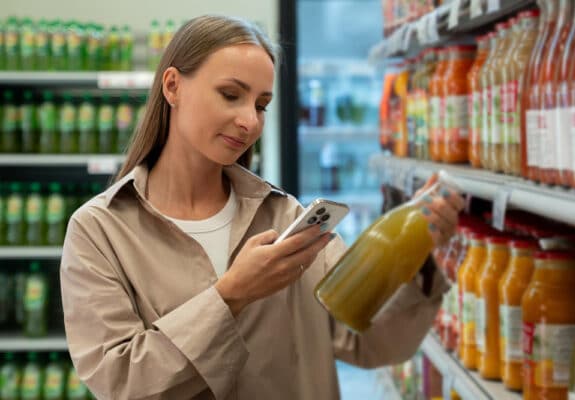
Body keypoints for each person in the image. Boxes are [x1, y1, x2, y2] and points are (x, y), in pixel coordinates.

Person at [60, 15, 465, 400]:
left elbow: (366, 342)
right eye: (231, 95)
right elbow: (119, 382)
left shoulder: (287, 218)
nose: (250, 122)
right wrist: (230, 296)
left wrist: (417, 256)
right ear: (172, 86)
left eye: (260, 104)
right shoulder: (100, 231)